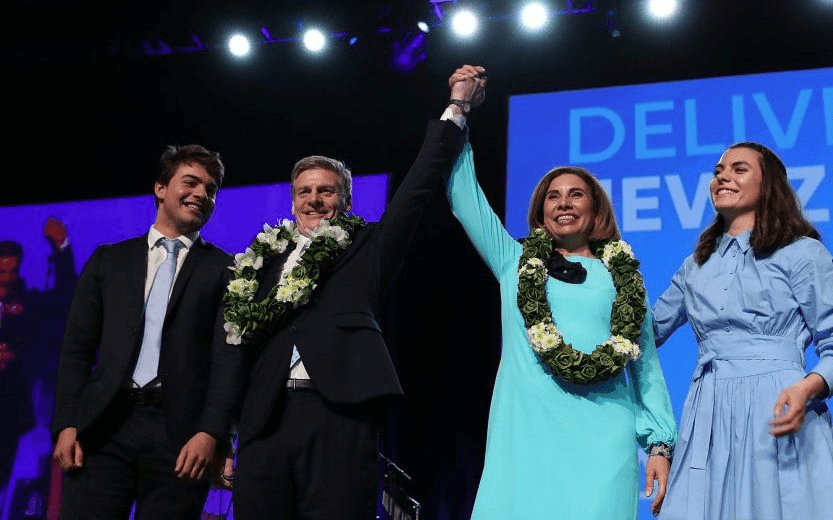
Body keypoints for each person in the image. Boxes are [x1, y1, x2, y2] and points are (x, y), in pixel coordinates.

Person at [220, 68, 481, 520]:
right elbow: (234, 350)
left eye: (327, 191)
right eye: (305, 191)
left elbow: (418, 185)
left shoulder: (368, 246)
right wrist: (223, 433)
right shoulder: (260, 262)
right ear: (293, 200)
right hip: (264, 418)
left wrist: (456, 108)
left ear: (345, 200)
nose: (315, 199)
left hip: (338, 411)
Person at [445, 65, 677, 520]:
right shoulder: (514, 262)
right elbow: (463, 196)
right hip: (526, 434)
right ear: (541, 209)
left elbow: (646, 367)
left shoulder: (624, 278)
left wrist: (659, 444)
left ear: (595, 210)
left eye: (575, 195)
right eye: (553, 196)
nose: (564, 203)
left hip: (604, 435)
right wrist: (459, 109)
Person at [652, 142, 833, 520]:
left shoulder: (801, 253)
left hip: (778, 407)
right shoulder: (695, 264)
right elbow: (643, 337)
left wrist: (808, 387)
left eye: (739, 169)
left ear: (767, 185)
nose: (723, 176)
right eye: (718, 171)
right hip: (709, 415)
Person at [52, 144, 242, 519]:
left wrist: (212, 434)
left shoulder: (228, 271)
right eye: (191, 182)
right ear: (160, 188)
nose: (201, 194)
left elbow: (229, 363)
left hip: (182, 439)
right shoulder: (109, 260)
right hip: (103, 429)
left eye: (211, 188)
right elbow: (77, 350)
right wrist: (66, 423)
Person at [0, 221, 75, 510]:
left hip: (8, 413)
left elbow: (64, 298)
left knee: (5, 481)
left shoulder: (25, 302)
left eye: (11, 272)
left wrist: (61, 248)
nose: (6, 279)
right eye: (0, 272)